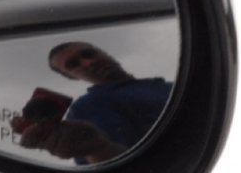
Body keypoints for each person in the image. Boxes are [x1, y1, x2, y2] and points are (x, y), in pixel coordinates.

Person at [18, 41, 172, 164]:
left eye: (88, 54)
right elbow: (121, 168)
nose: (87, 63)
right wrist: (98, 149)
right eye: (73, 64)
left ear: (105, 53)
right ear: (71, 77)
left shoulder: (166, 85)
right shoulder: (90, 106)